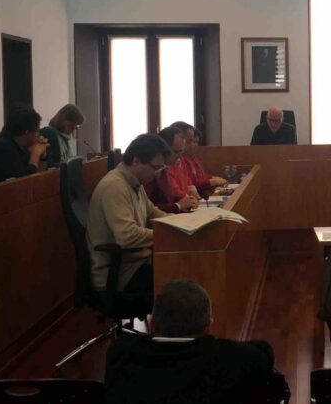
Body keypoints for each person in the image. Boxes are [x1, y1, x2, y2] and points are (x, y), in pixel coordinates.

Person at [105, 279, 275, 404]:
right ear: (209, 326)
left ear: (151, 324)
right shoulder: (236, 360)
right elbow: (264, 353)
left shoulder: (121, 353)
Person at [87, 134, 171, 294]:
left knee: (185, 267)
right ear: (136, 161)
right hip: (120, 274)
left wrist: (182, 223)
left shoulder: (135, 182)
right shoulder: (114, 186)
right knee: (181, 277)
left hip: (136, 264)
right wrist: (167, 234)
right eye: (155, 168)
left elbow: (153, 213)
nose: (158, 174)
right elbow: (127, 236)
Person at [0, 103, 49, 186]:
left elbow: (40, 179)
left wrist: (42, 155)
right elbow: (26, 184)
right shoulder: (2, 148)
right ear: (27, 132)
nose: (38, 135)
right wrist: (36, 154)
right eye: (36, 131)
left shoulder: (18, 146)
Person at [144, 127, 200, 213]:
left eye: (181, 152)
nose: (180, 157)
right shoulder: (149, 172)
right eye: (176, 152)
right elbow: (148, 210)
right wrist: (178, 205)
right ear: (164, 150)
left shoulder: (164, 168)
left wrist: (188, 201)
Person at [170, 122, 227, 196]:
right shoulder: (174, 162)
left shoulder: (187, 158)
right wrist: (212, 182)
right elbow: (190, 185)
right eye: (189, 141)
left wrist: (212, 178)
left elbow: (193, 182)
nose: (193, 145)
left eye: (194, 142)